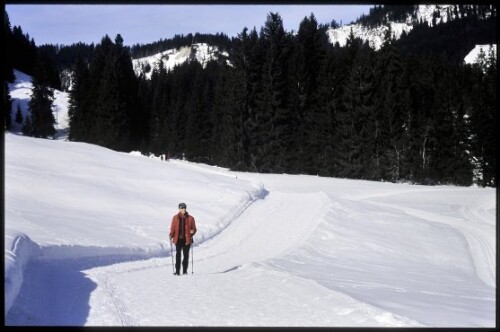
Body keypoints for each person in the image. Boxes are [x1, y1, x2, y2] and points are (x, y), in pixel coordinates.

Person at [170, 202, 197, 275]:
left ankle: (185, 271)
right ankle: (177, 271)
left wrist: (192, 231)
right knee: (178, 255)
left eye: (184, 207)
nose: (183, 209)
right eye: (182, 208)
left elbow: (194, 229)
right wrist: (171, 234)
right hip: (178, 239)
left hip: (187, 239)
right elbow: (173, 228)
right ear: (179, 209)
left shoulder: (191, 218)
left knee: (186, 255)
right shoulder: (175, 218)